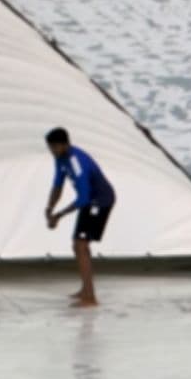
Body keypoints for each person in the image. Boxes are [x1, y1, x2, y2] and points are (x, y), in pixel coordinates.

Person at [44, 127, 116, 308]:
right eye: (50, 148)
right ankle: (85, 290)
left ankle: (90, 297)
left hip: (100, 200)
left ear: (65, 145)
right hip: (89, 201)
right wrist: (50, 207)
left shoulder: (77, 161)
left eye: (54, 148)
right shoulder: (60, 159)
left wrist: (59, 215)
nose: (52, 152)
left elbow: (83, 198)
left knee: (80, 244)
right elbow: (58, 185)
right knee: (78, 245)